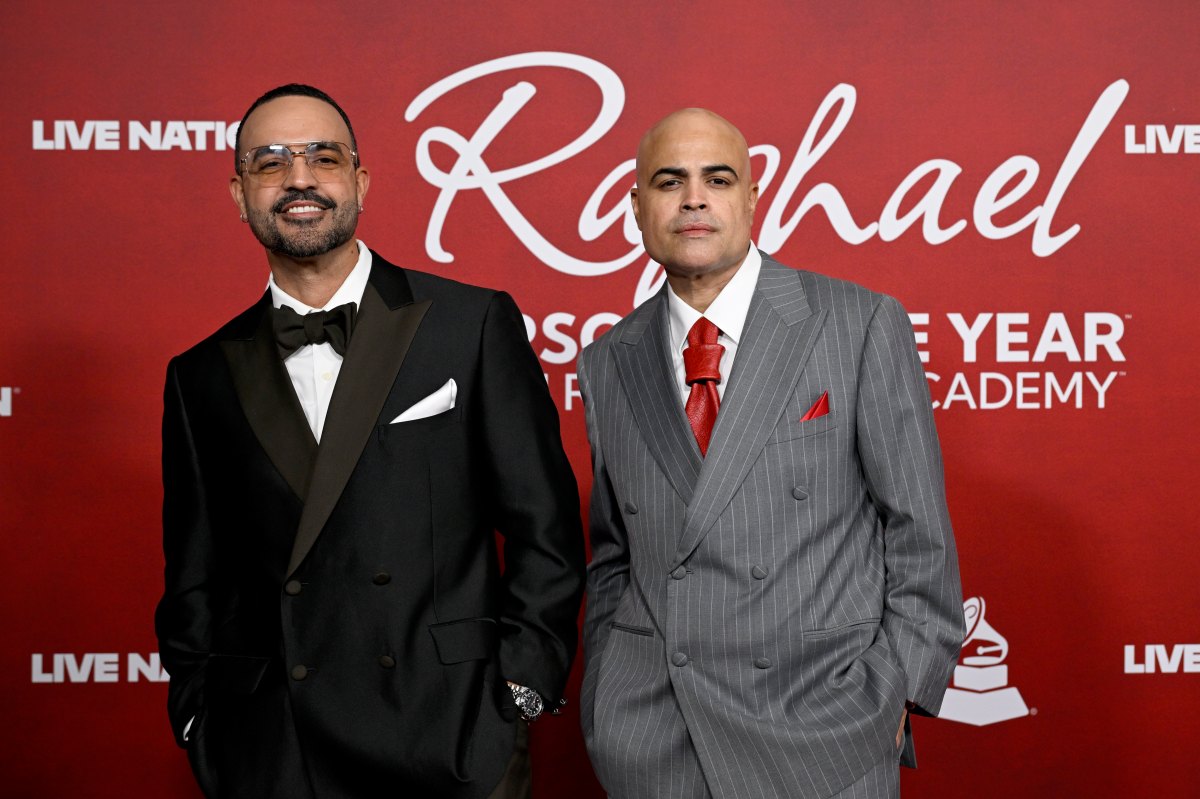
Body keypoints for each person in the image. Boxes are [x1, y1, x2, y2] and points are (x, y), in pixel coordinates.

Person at [155, 84, 584, 799]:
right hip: (276, 750)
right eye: (271, 162)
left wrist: (520, 692)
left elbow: (547, 529)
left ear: (360, 181)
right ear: (238, 193)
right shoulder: (198, 374)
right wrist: (200, 712)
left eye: (323, 158)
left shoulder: (469, 324)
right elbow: (194, 576)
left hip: (449, 735)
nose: (299, 178)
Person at [577, 108, 964, 799]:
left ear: (752, 197)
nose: (694, 198)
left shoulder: (857, 322)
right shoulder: (608, 360)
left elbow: (918, 531)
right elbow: (615, 555)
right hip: (655, 742)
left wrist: (896, 692)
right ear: (636, 207)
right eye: (669, 181)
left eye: (718, 179)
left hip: (822, 731)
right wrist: (608, 698)